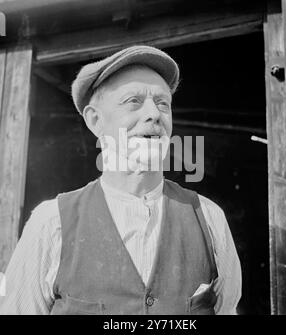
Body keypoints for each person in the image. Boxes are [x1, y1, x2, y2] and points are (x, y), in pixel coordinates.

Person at [0, 45, 241, 315]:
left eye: (163, 103)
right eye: (133, 101)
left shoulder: (208, 218)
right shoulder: (51, 223)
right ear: (95, 120)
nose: (154, 114)